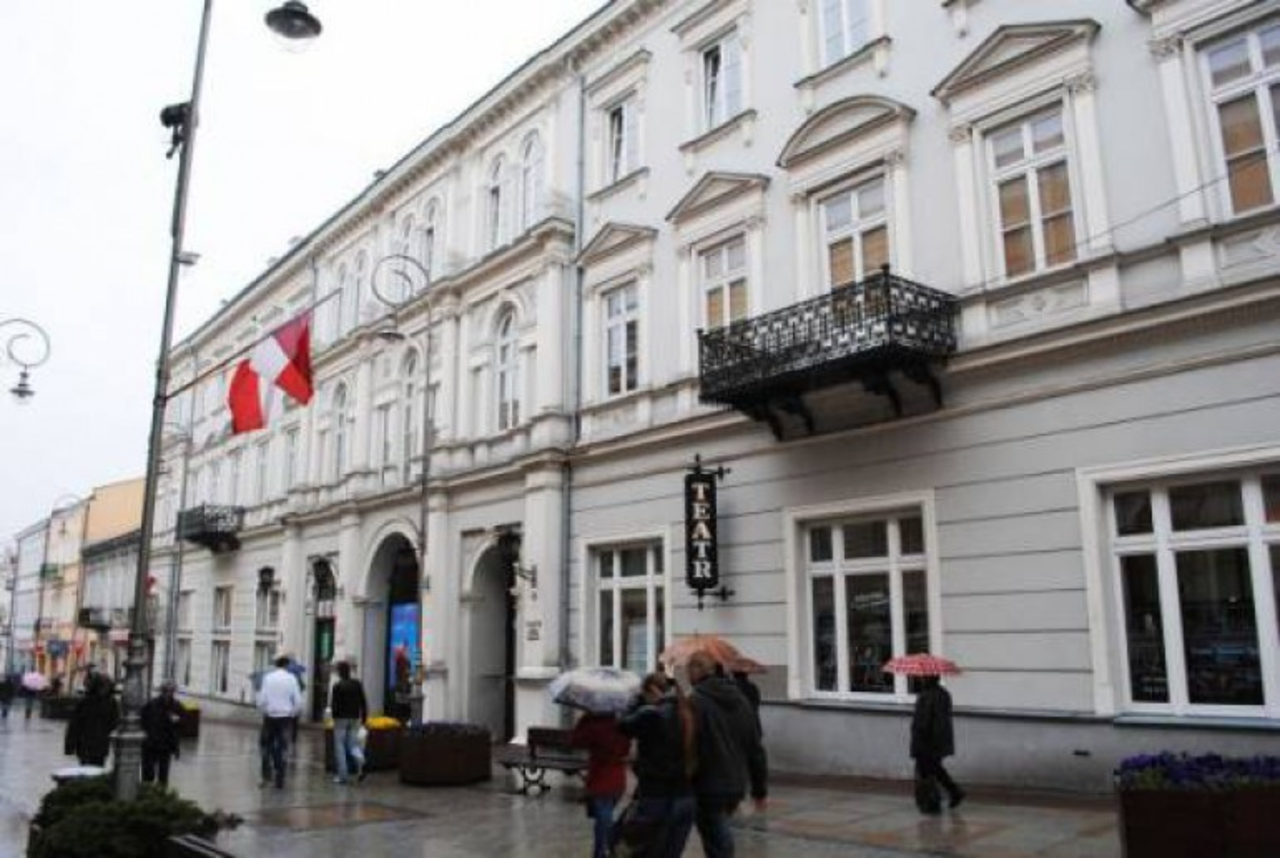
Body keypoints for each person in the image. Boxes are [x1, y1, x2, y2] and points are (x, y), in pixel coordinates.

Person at [687, 652, 768, 858]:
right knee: (719, 832)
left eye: (689, 669)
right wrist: (759, 790)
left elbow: (687, 744)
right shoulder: (741, 700)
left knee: (716, 839)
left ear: (696, 671)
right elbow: (755, 748)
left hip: (707, 783)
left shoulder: (695, 702)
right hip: (736, 782)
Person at [616, 672, 697, 858]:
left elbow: (622, 726)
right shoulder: (691, 714)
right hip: (686, 794)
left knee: (642, 848)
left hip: (656, 793)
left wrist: (635, 702)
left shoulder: (652, 713)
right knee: (671, 851)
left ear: (652, 690)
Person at [569, 709, 630, 858]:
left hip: (600, 780)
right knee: (604, 818)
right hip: (618, 780)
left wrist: (584, 720)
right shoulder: (622, 723)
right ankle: (607, 849)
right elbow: (626, 749)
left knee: (603, 819)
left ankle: (603, 852)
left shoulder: (594, 725)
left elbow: (574, 741)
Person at [911, 675, 963, 813]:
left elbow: (924, 721)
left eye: (923, 677)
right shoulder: (944, 694)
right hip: (940, 740)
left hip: (927, 741)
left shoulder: (926, 695)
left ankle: (933, 802)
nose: (920, 679)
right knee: (935, 769)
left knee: (926, 771)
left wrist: (919, 739)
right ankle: (953, 792)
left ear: (927, 679)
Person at [256, 655, 303, 789]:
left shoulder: (268, 678)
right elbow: (298, 701)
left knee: (265, 746)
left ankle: (266, 776)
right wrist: (292, 713)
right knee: (283, 747)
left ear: (276, 665)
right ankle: (280, 777)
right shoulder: (292, 679)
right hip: (285, 718)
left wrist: (264, 710)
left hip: (270, 717)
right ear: (287, 665)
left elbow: (262, 699)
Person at [64, 675, 119, 767]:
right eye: (102, 687)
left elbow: (114, 723)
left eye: (107, 687)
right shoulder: (84, 702)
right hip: (84, 744)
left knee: (98, 769)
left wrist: (115, 742)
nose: (104, 690)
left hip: (101, 745)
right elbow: (74, 725)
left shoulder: (111, 702)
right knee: (86, 769)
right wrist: (69, 746)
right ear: (96, 686)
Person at [328, 660, 368, 785]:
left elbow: (334, 705)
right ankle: (361, 761)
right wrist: (364, 717)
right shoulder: (357, 684)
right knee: (352, 744)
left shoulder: (337, 686)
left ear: (339, 672)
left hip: (340, 719)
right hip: (355, 717)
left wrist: (333, 717)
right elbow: (363, 701)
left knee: (339, 746)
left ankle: (342, 776)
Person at [140, 680, 185, 786]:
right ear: (162, 691)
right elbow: (142, 720)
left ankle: (161, 792)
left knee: (163, 774)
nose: (168, 694)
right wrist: (145, 736)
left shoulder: (177, 706)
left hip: (166, 744)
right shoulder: (152, 704)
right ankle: (147, 790)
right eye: (166, 691)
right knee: (148, 772)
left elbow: (181, 725)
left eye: (171, 691)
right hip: (151, 744)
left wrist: (178, 721)